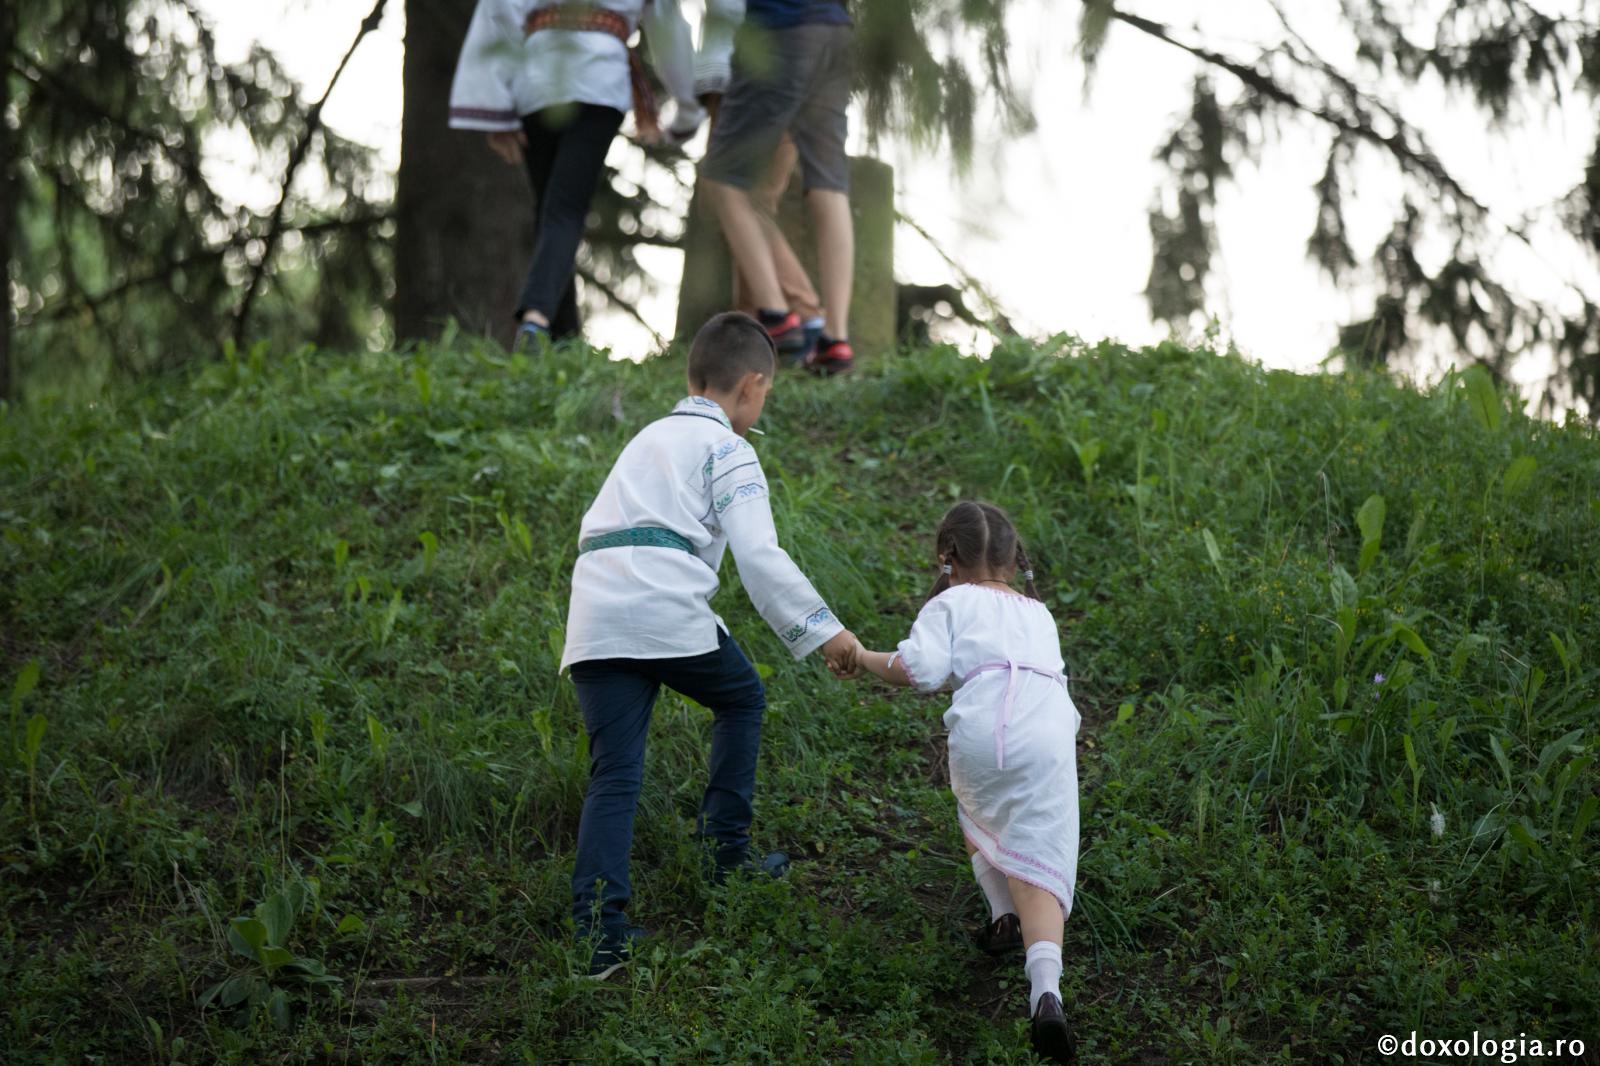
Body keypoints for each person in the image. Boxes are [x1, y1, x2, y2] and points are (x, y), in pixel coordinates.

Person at [560, 311, 859, 978]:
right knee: (743, 698)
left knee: (614, 773)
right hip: (662, 609)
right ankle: (726, 855)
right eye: (766, 396)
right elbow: (760, 556)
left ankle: (597, 938)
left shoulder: (645, 439)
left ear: (692, 376)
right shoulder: (729, 449)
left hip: (596, 613)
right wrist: (826, 633)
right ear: (751, 386)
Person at [838, 501, 1080, 1064]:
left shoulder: (951, 602)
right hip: (1047, 731)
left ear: (948, 558)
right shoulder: (1038, 612)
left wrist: (862, 656)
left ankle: (1002, 916)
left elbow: (917, 671)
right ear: (1013, 559)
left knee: (980, 812)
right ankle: (1046, 991)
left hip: (985, 734)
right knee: (1040, 845)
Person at [448, 0, 707, 347]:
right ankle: (537, 319)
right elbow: (667, 21)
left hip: (538, 77)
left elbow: (498, 12)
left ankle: (562, 340)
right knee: (562, 209)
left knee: (552, 210)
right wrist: (688, 107)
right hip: (598, 79)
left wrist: (495, 101)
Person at [698, 0, 857, 375]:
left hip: (778, 32)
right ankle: (836, 338)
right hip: (835, 34)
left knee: (722, 179)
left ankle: (776, 313)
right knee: (829, 184)